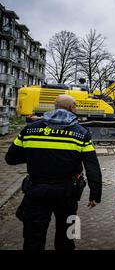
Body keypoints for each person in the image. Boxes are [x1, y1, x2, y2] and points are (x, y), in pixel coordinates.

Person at [5, 94, 102, 250]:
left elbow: (11, 159)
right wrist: (95, 195)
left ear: (55, 107)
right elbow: (92, 166)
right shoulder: (81, 133)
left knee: (33, 238)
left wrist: (36, 156)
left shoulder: (29, 129)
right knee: (69, 233)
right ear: (72, 108)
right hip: (68, 194)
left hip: (36, 191)